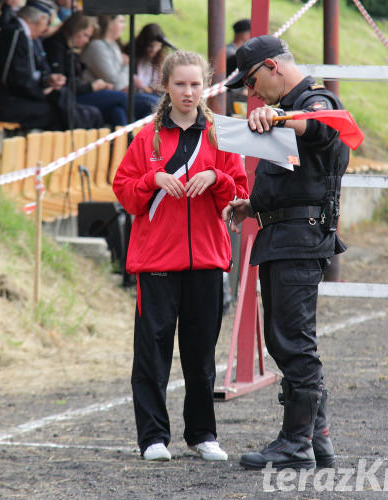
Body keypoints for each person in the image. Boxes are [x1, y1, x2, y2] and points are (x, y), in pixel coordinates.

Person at [113, 50, 248, 463]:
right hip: (155, 263)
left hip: (207, 261)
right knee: (152, 354)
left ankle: (202, 434)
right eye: (180, 85)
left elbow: (241, 195)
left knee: (200, 354)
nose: (188, 92)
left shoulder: (222, 135)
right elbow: (123, 191)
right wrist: (152, 179)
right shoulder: (145, 139)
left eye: (195, 85)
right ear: (165, 86)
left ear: (205, 86)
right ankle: (152, 438)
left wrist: (216, 176)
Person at [222, 35, 349, 471]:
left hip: (299, 237)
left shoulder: (315, 101)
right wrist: (252, 205)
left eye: (254, 82)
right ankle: (317, 439)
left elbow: (322, 129)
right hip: (281, 234)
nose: (252, 94)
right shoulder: (290, 107)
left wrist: (280, 116)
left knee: (293, 340)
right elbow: (294, 175)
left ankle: (297, 443)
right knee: (284, 339)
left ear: (273, 67)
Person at [0, 3, 102, 130]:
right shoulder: (14, 33)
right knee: (57, 113)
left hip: (15, 99)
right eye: (47, 23)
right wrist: (42, 92)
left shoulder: (28, 37)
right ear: (41, 20)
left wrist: (48, 80)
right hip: (0, 104)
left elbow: (32, 73)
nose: (46, 29)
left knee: (71, 105)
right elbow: (14, 79)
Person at [44, 12, 133, 127]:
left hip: (78, 93)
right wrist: (91, 86)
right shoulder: (56, 48)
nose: (87, 41)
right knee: (123, 98)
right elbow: (63, 83)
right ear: (75, 30)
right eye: (85, 35)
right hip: (68, 98)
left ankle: (126, 141)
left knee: (117, 111)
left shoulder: (71, 50)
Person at [80, 14, 159, 120]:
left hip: (117, 97)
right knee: (150, 103)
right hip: (100, 95)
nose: (124, 26)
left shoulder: (114, 46)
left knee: (121, 112)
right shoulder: (97, 47)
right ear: (110, 22)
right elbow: (115, 83)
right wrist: (125, 66)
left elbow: (123, 81)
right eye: (121, 21)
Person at [133, 23, 169, 94]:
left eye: (157, 46)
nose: (154, 50)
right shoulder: (134, 58)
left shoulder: (161, 61)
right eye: (150, 46)